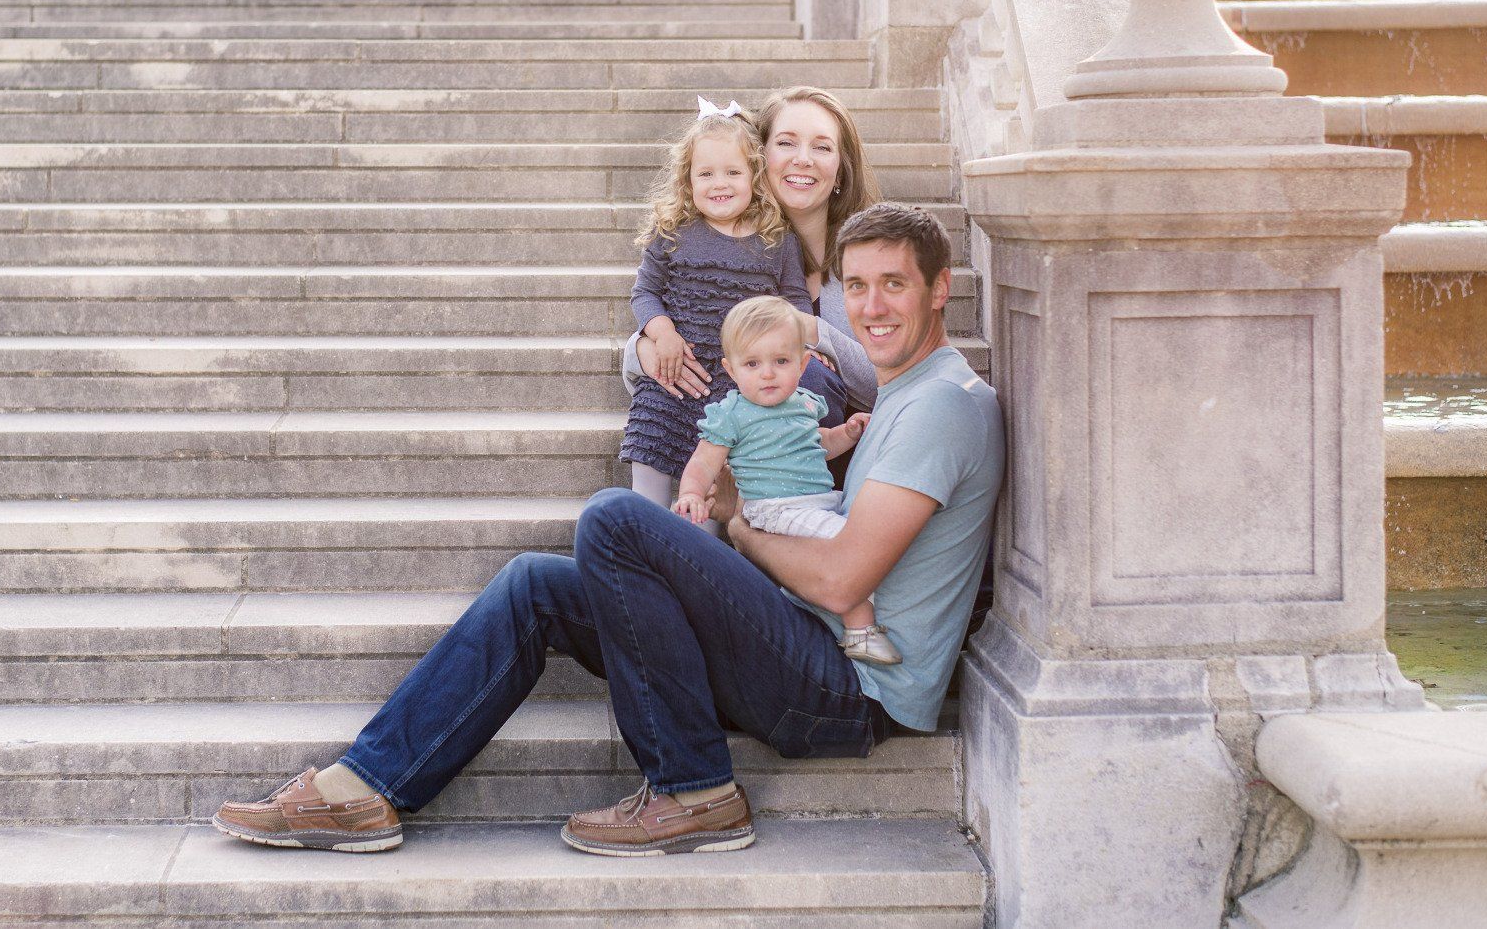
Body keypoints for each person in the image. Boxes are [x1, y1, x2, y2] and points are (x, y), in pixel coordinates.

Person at [212, 203, 1004, 858]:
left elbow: (840, 582)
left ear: (939, 290)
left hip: (849, 689)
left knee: (617, 518)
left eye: (894, 284)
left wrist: (736, 526)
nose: (871, 306)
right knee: (537, 585)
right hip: (805, 642)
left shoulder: (941, 405)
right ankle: (366, 789)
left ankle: (695, 790)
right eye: (858, 285)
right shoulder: (906, 394)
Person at [628, 87, 880, 451]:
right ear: (759, 159)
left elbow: (894, 379)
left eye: (823, 147)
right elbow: (656, 309)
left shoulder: (870, 262)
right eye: (787, 143)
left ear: (841, 171)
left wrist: (808, 331)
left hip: (832, 460)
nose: (803, 159)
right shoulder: (702, 244)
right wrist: (646, 348)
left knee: (809, 373)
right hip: (722, 448)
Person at [670, 294, 894, 664]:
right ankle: (860, 632)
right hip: (774, 509)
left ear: (804, 363)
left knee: (868, 532)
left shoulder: (805, 403)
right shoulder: (733, 415)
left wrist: (847, 434)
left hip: (816, 502)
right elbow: (703, 463)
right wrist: (691, 492)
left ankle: (825, 615)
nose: (768, 373)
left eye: (781, 361)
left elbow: (818, 444)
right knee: (850, 550)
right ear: (731, 369)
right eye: (753, 363)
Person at [619, 100, 809, 506]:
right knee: (649, 456)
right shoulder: (672, 232)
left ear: (755, 177)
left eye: (733, 172)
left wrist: (806, 346)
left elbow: (795, 304)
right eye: (706, 173)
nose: (719, 183)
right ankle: (643, 532)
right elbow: (645, 292)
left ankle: (703, 548)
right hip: (671, 374)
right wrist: (662, 333)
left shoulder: (777, 240)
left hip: (736, 387)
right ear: (687, 181)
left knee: (716, 491)